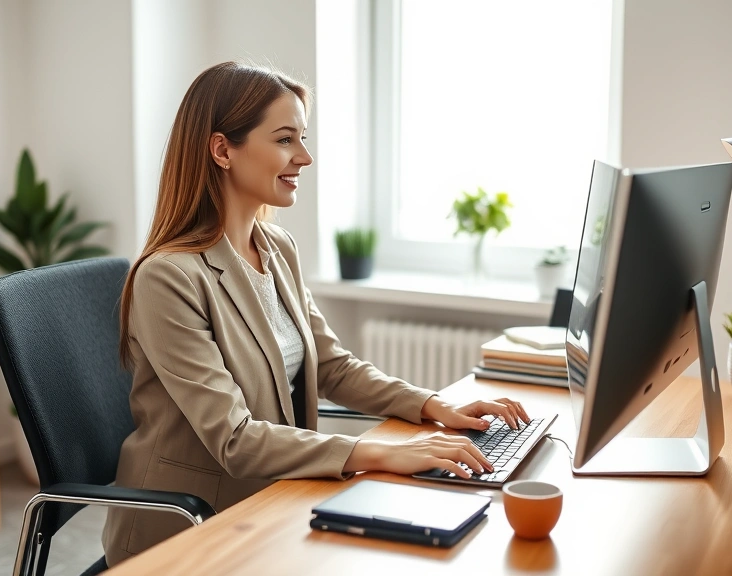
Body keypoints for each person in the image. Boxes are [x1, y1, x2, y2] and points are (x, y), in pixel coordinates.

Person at [102, 61, 531, 566]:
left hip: (273, 498)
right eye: (285, 139)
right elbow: (234, 439)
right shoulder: (170, 276)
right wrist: (380, 452)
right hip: (192, 526)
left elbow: (332, 366)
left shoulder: (277, 248)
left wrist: (432, 406)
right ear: (222, 150)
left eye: (303, 138)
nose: (303, 157)